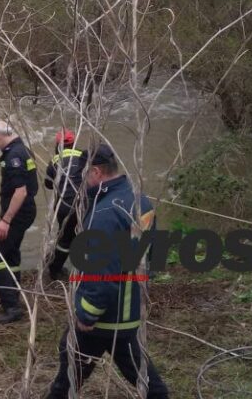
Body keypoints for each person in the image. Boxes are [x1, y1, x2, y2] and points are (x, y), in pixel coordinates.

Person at [47, 145, 169, 398]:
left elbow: (101, 273)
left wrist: (87, 315)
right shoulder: (138, 199)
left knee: (69, 372)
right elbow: (153, 251)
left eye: (82, 176)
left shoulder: (104, 214)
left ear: (96, 172)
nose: (79, 183)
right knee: (137, 369)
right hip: (129, 307)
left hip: (106, 317)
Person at [0, 120, 38, 324]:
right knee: (10, 253)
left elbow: (20, 191)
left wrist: (6, 220)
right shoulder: (23, 149)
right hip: (25, 211)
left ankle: (11, 306)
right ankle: (14, 295)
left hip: (17, 214)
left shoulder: (13, 156)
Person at [44, 129, 87, 280]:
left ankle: (54, 270)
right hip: (83, 204)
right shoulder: (84, 156)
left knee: (65, 238)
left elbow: (48, 184)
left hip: (64, 206)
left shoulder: (55, 161)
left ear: (58, 145)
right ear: (74, 143)